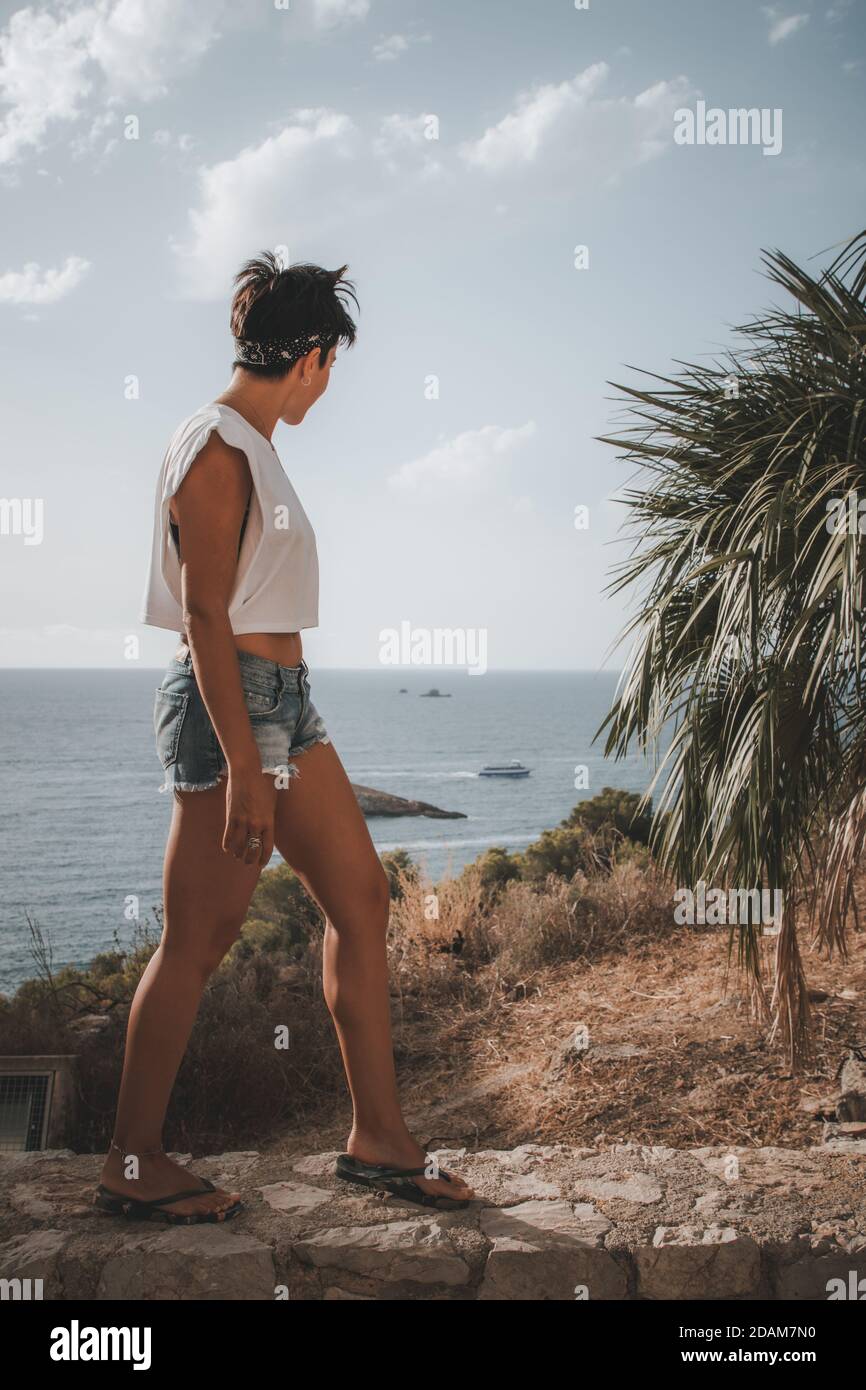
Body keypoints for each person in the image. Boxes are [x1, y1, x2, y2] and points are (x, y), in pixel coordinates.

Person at [95, 254, 473, 1223]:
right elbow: (205, 620)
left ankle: (377, 1140)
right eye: (329, 365)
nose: (327, 383)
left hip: (284, 704)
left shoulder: (251, 444)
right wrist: (247, 772)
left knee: (359, 897)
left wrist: (276, 736)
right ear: (308, 356)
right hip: (236, 709)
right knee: (200, 937)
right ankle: (132, 1161)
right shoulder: (216, 446)